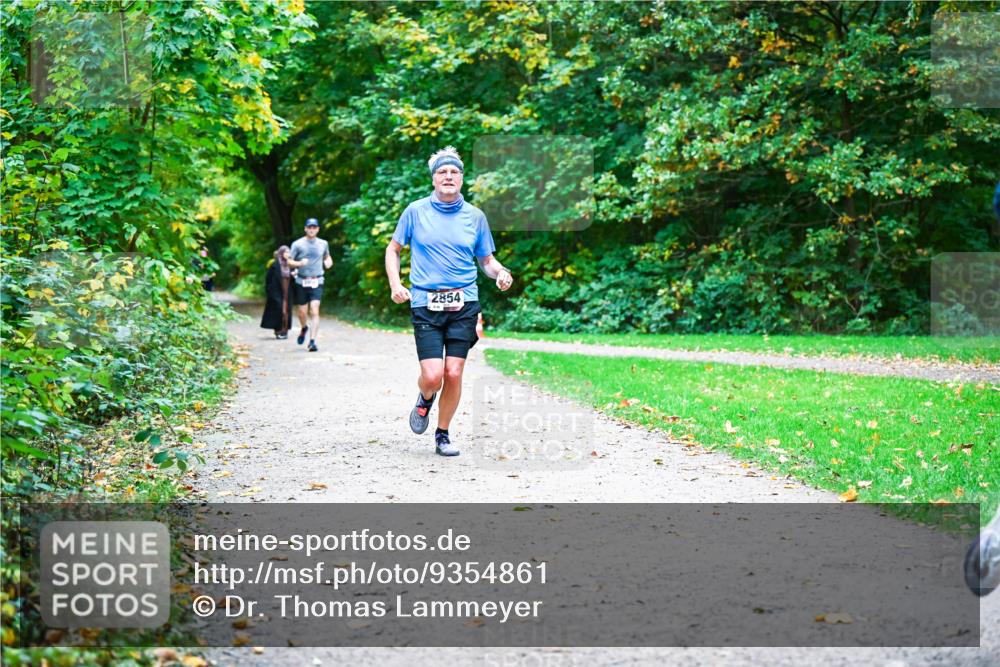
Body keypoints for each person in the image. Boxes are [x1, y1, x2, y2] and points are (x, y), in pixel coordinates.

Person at [385, 146, 514, 456]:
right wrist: (395, 284)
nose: (448, 176)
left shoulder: (475, 216)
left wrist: (500, 272)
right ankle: (425, 398)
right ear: (433, 179)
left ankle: (442, 434)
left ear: (461, 178)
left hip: (464, 304)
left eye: (454, 171)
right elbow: (393, 249)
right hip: (425, 304)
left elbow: (486, 260)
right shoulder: (415, 212)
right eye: (442, 171)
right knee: (433, 376)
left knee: (453, 373)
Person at [285, 218, 332, 352]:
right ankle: (304, 327)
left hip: (317, 280)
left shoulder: (323, 243)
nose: (312, 230)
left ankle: (312, 341)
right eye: (309, 227)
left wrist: (328, 262)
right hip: (301, 281)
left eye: (314, 227)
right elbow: (289, 262)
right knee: (302, 312)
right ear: (305, 228)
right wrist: (299, 264)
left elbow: (327, 257)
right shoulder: (298, 244)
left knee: (315, 310)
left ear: (317, 229)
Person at [260, 245, 292, 339]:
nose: (287, 254)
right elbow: (268, 279)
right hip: (277, 290)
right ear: (281, 253)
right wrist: (269, 291)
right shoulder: (274, 264)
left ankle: (285, 330)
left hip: (287, 290)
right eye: (285, 252)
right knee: (279, 310)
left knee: (286, 311)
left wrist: (294, 275)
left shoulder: (291, 264)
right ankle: (278, 330)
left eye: (288, 252)